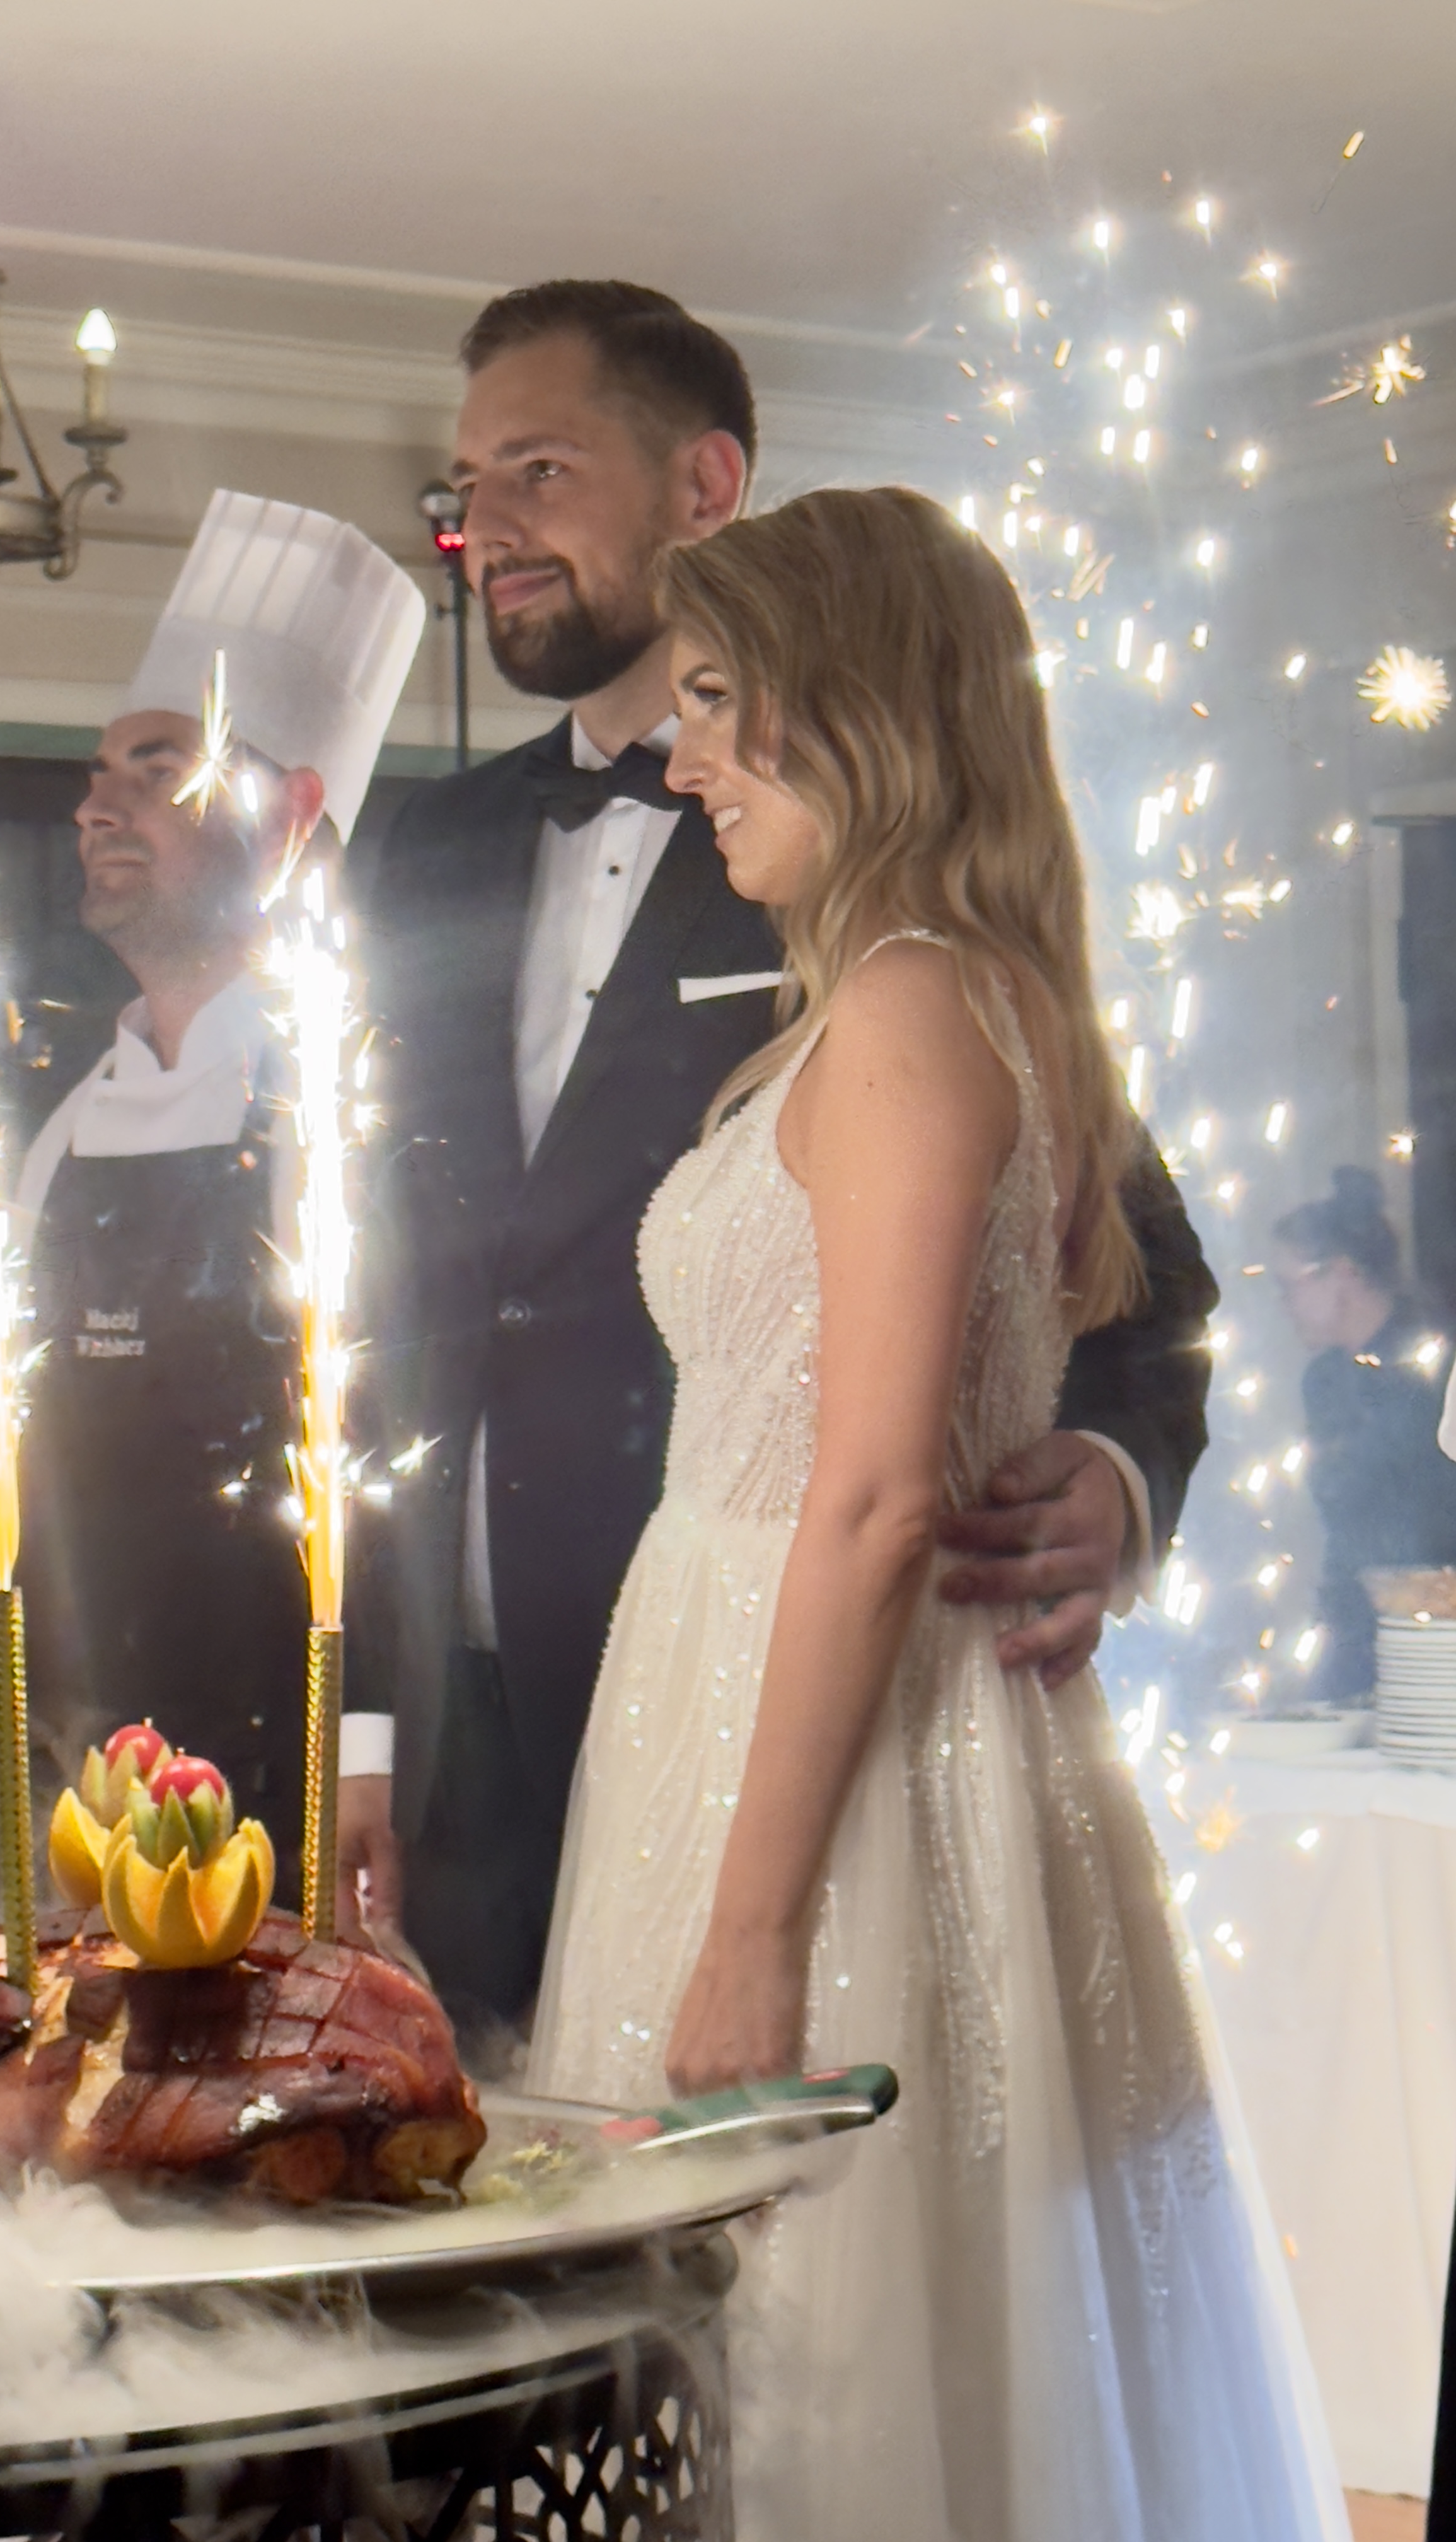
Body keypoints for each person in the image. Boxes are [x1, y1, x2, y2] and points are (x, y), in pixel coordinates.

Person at [526, 486, 1341, 2540]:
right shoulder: (963, 994)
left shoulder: (905, 1008)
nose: (685, 757)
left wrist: (752, 1934)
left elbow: (883, 1496)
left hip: (837, 1764)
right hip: (806, 1718)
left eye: (723, 700)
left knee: (823, 2338)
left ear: (860, 707)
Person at [353, 279, 1218, 2028]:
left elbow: (1128, 1264)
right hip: (451, 1728)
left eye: (538, 470)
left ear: (704, 485)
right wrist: (363, 1725)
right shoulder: (412, 850)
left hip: (792, 1683)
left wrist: (1115, 1477)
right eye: (468, 483)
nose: (483, 526)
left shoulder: (870, 890)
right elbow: (375, 1296)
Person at [14, 490, 423, 1881]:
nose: (97, 803)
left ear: (293, 814)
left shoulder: (352, 1114)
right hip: (102, 1783)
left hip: (308, 1780)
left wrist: (366, 1752)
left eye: (159, 764)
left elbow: (392, 1449)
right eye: (99, 773)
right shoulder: (59, 1139)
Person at [1268, 1168, 1456, 1707]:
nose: (1284, 1305)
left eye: (1289, 1286)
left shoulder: (1435, 1364)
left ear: (1343, 1272)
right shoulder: (1324, 1382)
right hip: (1355, 1634)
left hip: (1439, 1637)